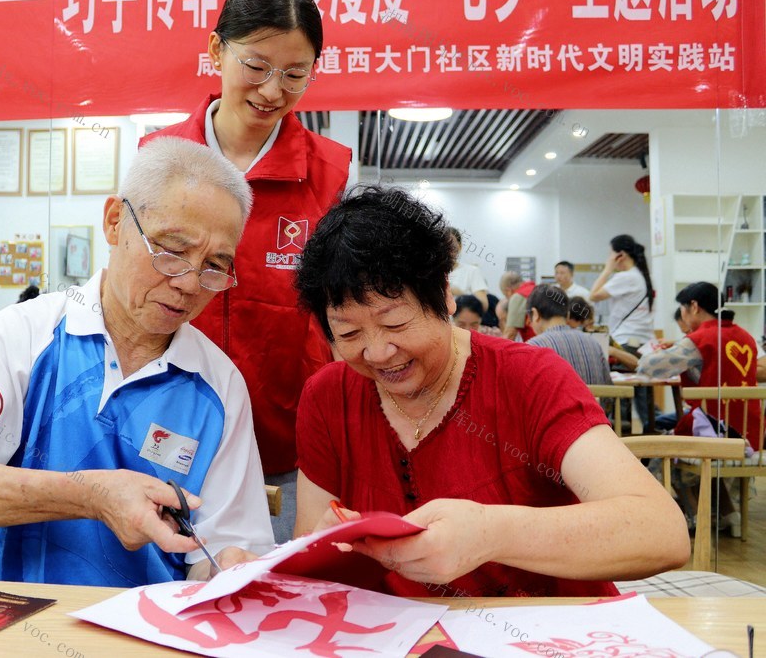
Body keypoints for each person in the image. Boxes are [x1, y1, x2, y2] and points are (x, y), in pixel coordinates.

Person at [0, 138, 274, 586]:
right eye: (172, 251)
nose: (189, 283)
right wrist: (91, 496)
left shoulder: (218, 385)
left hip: (151, 638)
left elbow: (221, 549)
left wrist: (231, 565)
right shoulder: (25, 335)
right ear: (114, 222)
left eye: (213, 267)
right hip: (18, 627)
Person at [292, 186, 689, 598]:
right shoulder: (327, 396)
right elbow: (314, 557)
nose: (376, 352)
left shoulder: (529, 377)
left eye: (394, 324)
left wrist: (490, 534)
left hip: (548, 636)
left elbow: (660, 530)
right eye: (349, 333)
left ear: (444, 293)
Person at [140, 0, 352, 543]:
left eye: (294, 73)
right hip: (170, 429)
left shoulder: (329, 174)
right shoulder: (160, 158)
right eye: (256, 65)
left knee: (278, 599)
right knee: (168, 601)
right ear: (216, 52)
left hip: (288, 443)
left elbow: (340, 313)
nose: (272, 90)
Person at [637, 282, 760, 536]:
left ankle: (691, 517)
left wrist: (661, 350)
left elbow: (650, 367)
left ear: (693, 306)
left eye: (682, 308)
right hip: (749, 434)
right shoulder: (744, 335)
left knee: (660, 449)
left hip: (716, 433)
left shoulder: (701, 338)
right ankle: (729, 514)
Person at [590, 234, 657, 429]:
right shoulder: (644, 276)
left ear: (620, 255)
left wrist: (607, 268)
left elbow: (594, 295)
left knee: (622, 398)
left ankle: (624, 440)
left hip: (625, 343)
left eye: (611, 254)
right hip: (645, 344)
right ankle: (651, 440)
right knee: (644, 398)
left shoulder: (626, 277)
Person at [526, 285, 612, 386]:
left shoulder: (533, 347)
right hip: (594, 402)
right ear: (567, 315)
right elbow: (609, 394)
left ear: (535, 314)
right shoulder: (594, 344)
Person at [448, 228, 489, 312]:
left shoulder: (472, 271)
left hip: (460, 324)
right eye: (442, 245)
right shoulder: (429, 272)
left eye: (452, 245)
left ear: (460, 247)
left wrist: (461, 295)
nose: (447, 250)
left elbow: (483, 305)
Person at [499, 271, 536, 342]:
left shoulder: (518, 296)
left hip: (536, 344)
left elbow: (510, 333)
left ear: (508, 291)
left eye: (505, 295)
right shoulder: (535, 288)